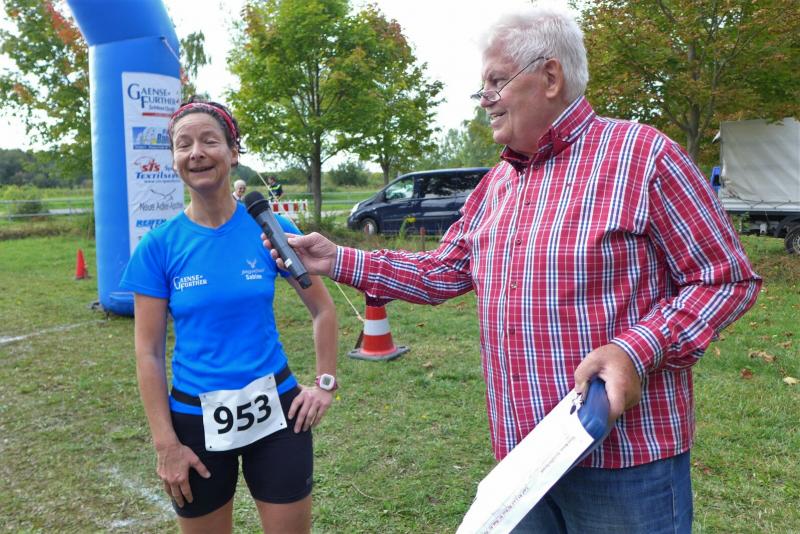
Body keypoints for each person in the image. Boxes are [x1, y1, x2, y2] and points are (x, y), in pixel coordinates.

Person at [263, 6, 761, 533]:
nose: (485, 100)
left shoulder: (643, 157)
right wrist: (336, 259)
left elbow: (725, 278)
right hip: (523, 461)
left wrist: (635, 350)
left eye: (496, 82)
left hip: (625, 462)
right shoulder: (497, 184)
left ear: (550, 77)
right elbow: (442, 271)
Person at [121, 96, 338, 534]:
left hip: (279, 412)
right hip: (194, 422)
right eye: (183, 145)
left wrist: (325, 384)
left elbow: (323, 309)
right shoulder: (158, 247)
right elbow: (148, 353)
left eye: (209, 141)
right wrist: (166, 444)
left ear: (233, 152)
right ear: (174, 159)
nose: (196, 153)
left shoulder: (270, 228)